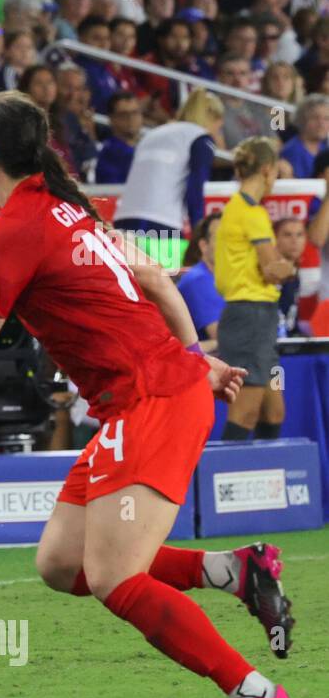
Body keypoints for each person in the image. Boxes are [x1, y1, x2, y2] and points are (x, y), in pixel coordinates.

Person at [0, 90, 296, 698]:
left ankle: (255, 694)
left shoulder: (13, 231)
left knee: (114, 578)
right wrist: (198, 360)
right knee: (60, 563)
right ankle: (232, 570)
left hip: (150, 400)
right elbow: (156, 283)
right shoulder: (71, 209)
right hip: (152, 391)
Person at [214, 137, 299, 443]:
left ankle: (264, 482)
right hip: (249, 316)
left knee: (273, 411)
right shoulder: (251, 213)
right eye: (276, 173)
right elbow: (273, 270)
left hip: (258, 318)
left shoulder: (240, 209)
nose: (275, 180)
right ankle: (222, 479)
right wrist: (290, 266)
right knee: (245, 412)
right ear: (266, 169)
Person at [114, 89, 224, 240]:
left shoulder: (151, 134)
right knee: (167, 265)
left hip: (123, 220)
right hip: (161, 224)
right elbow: (195, 191)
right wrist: (200, 236)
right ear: (215, 119)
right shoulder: (201, 138)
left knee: (129, 265)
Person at [175, 211, 225, 352]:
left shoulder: (230, 279)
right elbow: (226, 338)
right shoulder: (198, 280)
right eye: (221, 237)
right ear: (204, 245)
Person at [94, 91, 143, 184]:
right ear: (111, 119)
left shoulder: (143, 146)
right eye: (124, 114)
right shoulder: (111, 153)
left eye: (135, 112)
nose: (131, 118)